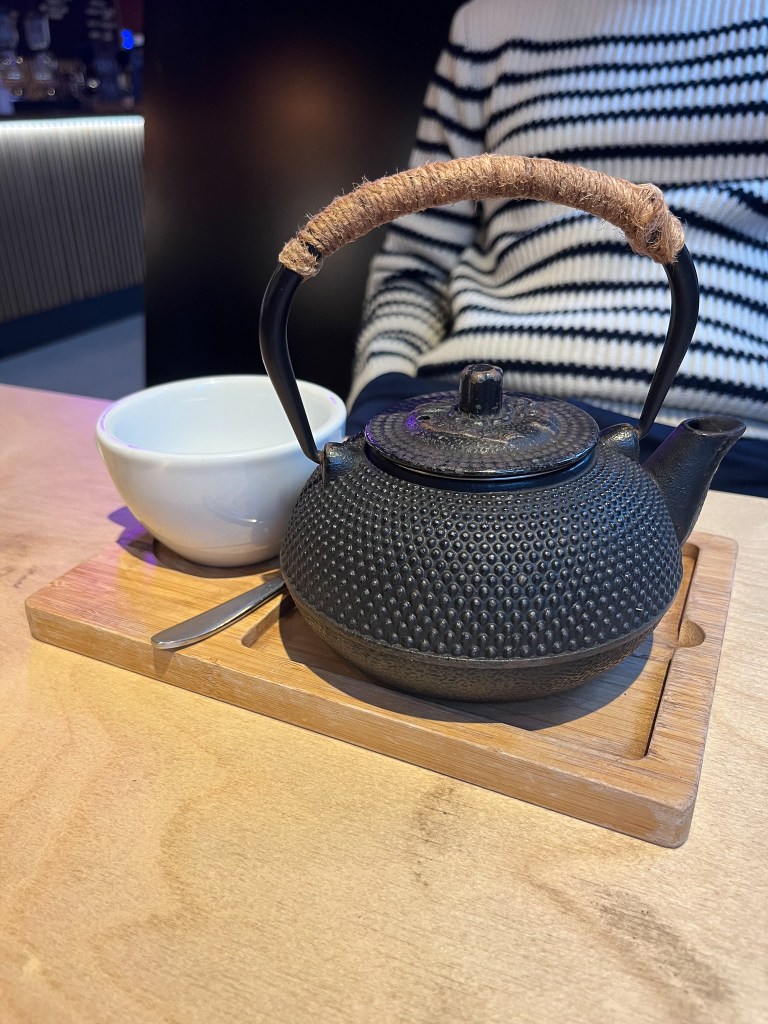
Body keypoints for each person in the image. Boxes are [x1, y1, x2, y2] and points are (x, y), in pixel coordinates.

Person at [346, 0, 768, 496]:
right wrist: (377, 392)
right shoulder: (489, 25)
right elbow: (416, 264)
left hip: (704, 443)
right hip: (456, 419)